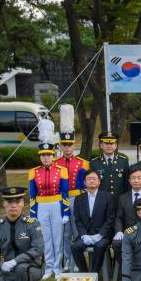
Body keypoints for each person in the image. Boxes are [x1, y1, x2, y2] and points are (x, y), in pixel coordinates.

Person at [29, 118, 69, 279]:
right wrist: (33, 214)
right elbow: (32, 195)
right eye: (43, 155)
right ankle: (49, 267)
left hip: (56, 204)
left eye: (49, 155)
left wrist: (65, 212)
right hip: (41, 206)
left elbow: (65, 193)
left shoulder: (61, 170)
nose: (46, 158)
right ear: (40, 156)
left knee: (58, 237)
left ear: (53, 156)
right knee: (46, 238)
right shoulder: (33, 172)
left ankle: (58, 267)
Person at [55, 104, 89, 272]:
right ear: (60, 146)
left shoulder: (83, 163)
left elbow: (86, 186)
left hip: (77, 199)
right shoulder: (55, 164)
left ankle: (78, 261)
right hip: (60, 200)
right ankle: (68, 260)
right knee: (64, 233)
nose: (67, 148)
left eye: (70, 144)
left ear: (74, 145)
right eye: (64, 144)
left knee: (77, 231)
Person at [112, 169, 141, 281]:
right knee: (116, 243)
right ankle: (126, 272)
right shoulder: (122, 197)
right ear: (129, 181)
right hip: (128, 233)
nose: (136, 180)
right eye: (133, 178)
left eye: (139, 178)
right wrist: (118, 231)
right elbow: (119, 217)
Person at [70, 170, 115, 275]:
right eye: (88, 179)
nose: (91, 181)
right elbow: (78, 220)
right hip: (86, 234)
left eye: (94, 179)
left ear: (99, 181)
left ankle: (94, 274)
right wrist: (83, 235)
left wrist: (100, 235)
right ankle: (84, 272)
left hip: (102, 235)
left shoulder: (107, 197)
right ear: (85, 182)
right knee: (75, 247)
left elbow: (110, 218)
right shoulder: (79, 199)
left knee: (99, 246)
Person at [90, 131, 130, 196]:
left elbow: (127, 183)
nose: (109, 146)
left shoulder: (123, 161)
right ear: (101, 145)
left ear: (116, 145)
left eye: (111, 143)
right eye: (106, 143)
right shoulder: (94, 163)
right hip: (102, 200)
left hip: (119, 200)